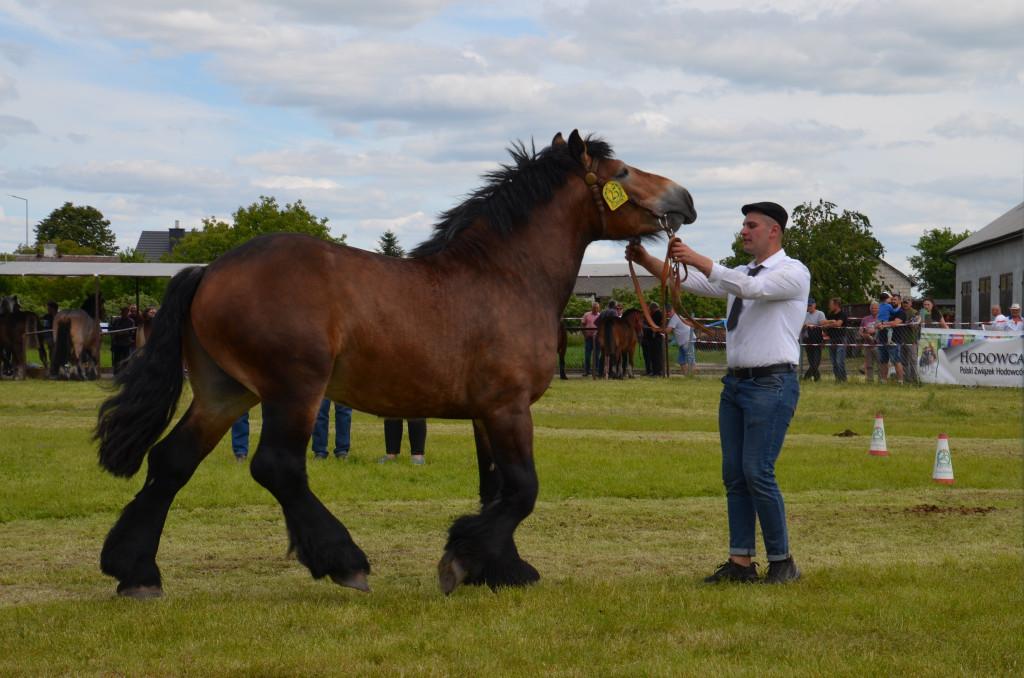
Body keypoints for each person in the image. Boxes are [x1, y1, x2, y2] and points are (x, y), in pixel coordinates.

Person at [626, 200, 807, 585]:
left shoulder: (792, 272)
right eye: (744, 225)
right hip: (737, 384)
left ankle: (783, 562)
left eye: (751, 225)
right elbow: (691, 282)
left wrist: (698, 259)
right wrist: (646, 259)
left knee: (757, 471)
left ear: (774, 230)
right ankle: (741, 564)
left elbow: (752, 289)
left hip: (771, 384)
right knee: (736, 475)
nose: (743, 231)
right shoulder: (740, 272)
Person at [878, 295, 906, 383]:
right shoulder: (886, 309)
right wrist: (879, 324)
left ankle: (900, 381)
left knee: (896, 361)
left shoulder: (901, 312)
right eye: (892, 299)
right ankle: (883, 380)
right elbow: (878, 321)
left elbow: (895, 323)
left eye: (895, 299)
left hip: (894, 340)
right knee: (883, 361)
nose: (893, 301)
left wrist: (883, 323)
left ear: (899, 301)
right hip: (882, 339)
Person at [665, 304, 696, 377]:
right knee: (681, 359)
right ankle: (685, 376)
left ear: (673, 311)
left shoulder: (675, 318)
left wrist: (657, 329)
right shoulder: (675, 317)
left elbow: (667, 330)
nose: (668, 313)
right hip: (682, 342)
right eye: (667, 312)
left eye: (670, 311)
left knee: (690, 358)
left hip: (687, 340)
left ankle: (691, 376)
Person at [822, 297, 848, 382]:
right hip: (832, 340)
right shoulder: (831, 316)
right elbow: (822, 322)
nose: (830, 307)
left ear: (836, 305)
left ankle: (843, 379)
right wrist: (831, 321)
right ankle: (837, 379)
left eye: (831, 305)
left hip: (841, 339)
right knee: (834, 362)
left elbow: (838, 324)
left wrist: (828, 324)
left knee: (839, 361)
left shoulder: (842, 315)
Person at [858, 301, 883, 383]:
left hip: (879, 345)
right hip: (868, 345)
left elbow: (883, 330)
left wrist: (872, 331)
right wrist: (864, 335)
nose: (874, 309)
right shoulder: (865, 319)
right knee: (869, 365)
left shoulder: (882, 318)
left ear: (879, 309)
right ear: (870, 309)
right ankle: (869, 380)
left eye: (876, 308)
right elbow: (860, 330)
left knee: (880, 364)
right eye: (872, 308)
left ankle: (881, 380)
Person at [594, 300, 619, 378]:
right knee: (611, 354)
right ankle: (610, 373)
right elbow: (616, 322)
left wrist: (601, 328)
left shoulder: (603, 312)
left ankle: (600, 372)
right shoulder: (614, 312)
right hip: (610, 335)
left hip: (602, 336)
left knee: (603, 354)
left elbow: (595, 322)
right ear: (615, 306)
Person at [802, 298, 825, 381]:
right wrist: (805, 326)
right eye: (808, 305)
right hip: (808, 339)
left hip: (817, 339)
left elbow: (822, 325)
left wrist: (814, 326)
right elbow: (802, 328)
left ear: (815, 305)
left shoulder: (820, 314)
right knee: (811, 362)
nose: (809, 307)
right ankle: (817, 379)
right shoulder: (805, 314)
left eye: (811, 305)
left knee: (816, 362)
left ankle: (806, 378)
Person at [108, 305, 136, 374]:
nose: (122, 312)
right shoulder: (117, 320)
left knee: (125, 359)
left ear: (128, 312)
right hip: (117, 343)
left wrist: (121, 333)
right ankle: (116, 373)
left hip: (126, 343)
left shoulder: (130, 321)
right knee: (116, 359)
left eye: (124, 311)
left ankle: (124, 373)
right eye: (122, 311)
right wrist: (114, 332)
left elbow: (131, 332)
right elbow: (111, 328)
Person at [900, 299, 920, 383]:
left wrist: (902, 323)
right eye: (904, 303)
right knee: (903, 361)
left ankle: (915, 380)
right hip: (902, 340)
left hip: (911, 340)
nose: (905, 304)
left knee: (913, 361)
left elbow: (912, 324)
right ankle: (907, 380)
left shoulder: (915, 312)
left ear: (911, 303)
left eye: (907, 303)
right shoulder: (901, 312)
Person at [581, 301, 600, 377]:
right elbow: (582, 324)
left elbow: (601, 326)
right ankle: (587, 370)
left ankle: (596, 371)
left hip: (597, 339)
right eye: (594, 307)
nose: (596, 309)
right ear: (592, 308)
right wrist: (585, 334)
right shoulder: (587, 315)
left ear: (599, 308)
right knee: (587, 356)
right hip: (588, 338)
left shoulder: (600, 316)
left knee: (597, 355)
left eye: (597, 307)